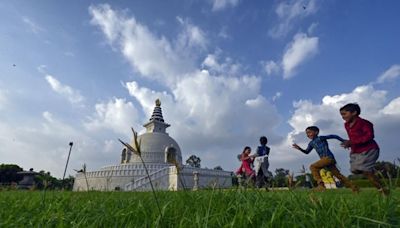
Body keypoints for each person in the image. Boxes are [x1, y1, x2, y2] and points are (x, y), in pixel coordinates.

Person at [339, 103, 389, 195]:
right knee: (354, 170)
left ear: (354, 112)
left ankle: (383, 190)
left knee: (365, 170)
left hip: (369, 149)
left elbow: (369, 136)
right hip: (356, 150)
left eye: (344, 114)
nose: (343, 116)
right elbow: (354, 137)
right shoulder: (346, 125)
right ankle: (374, 172)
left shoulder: (365, 123)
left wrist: (352, 142)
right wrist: (349, 143)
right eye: (341, 115)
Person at [292, 126, 358, 192]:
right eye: (307, 133)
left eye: (309, 132)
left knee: (313, 167)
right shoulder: (311, 143)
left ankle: (321, 185)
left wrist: (343, 140)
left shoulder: (321, 138)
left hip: (328, 158)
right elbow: (307, 152)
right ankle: (354, 187)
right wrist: (299, 148)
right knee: (338, 175)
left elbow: (334, 136)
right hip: (326, 161)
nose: (308, 135)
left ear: (316, 132)